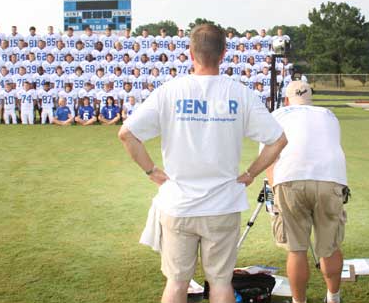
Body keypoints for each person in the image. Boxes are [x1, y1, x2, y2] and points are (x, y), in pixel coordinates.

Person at [118, 24, 287, 303]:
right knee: (220, 283)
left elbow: (127, 134)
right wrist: (251, 173)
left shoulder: (169, 91)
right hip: (222, 204)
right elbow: (278, 140)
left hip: (179, 204)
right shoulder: (239, 93)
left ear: (190, 53)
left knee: (176, 283)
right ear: (223, 54)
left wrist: (151, 171)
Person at [266, 81, 348, 303]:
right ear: (310, 98)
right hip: (331, 178)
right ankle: (333, 298)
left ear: (286, 100)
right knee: (329, 246)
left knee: (296, 249)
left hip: (290, 179)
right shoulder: (328, 115)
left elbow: (269, 158)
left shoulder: (277, 114)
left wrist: (274, 193)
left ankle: (298, 301)